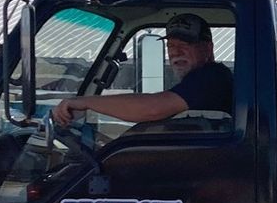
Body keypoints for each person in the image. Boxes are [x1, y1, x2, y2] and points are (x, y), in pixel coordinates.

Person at [51, 13, 233, 127]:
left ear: (207, 49)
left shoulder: (211, 79)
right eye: (170, 46)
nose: (176, 52)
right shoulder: (201, 80)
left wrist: (85, 102)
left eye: (185, 44)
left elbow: (152, 108)